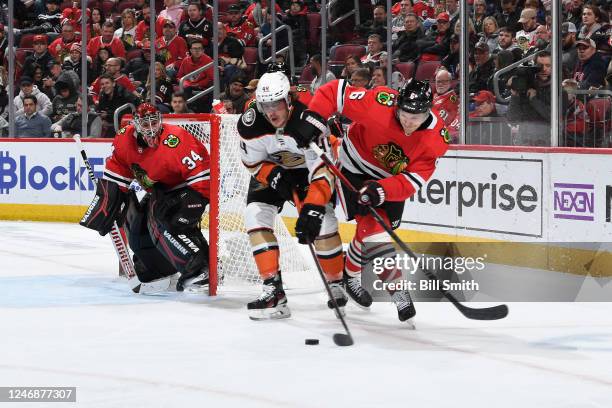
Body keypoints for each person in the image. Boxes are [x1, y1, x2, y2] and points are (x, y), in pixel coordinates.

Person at [305, 77, 450, 323]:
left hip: (390, 181)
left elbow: (411, 182)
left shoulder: (437, 138)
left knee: (367, 233)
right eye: (404, 114)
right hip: (354, 166)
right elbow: (334, 91)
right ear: (398, 104)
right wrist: (313, 118)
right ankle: (398, 291)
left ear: (428, 111)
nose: (408, 121)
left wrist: (380, 190)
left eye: (415, 117)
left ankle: (349, 276)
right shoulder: (380, 103)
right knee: (374, 230)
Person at [236, 71, 345, 320]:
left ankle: (336, 281)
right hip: (274, 171)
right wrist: (274, 176)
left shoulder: (309, 119)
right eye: (266, 105)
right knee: (254, 215)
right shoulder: (251, 123)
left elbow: (324, 169)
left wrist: (313, 207)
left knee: (324, 220)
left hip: (309, 173)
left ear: (288, 100)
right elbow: (252, 163)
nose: (271, 112)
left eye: (276, 104)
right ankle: (273, 289)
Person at [80, 103, 210, 293]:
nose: (151, 129)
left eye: (154, 122)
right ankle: (156, 269)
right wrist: (108, 206)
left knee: (166, 218)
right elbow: (117, 178)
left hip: (188, 189)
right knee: (137, 224)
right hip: (159, 191)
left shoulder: (176, 138)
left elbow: (203, 172)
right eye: (145, 124)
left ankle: (201, 269)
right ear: (136, 124)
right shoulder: (125, 139)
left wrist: (195, 199)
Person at [507, 50, 554, 145]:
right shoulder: (525, 86)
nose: (543, 69)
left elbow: (552, 117)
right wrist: (514, 95)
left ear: (554, 67)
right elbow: (513, 119)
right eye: (540, 66)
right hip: (525, 140)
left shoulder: (558, 90)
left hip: (547, 141)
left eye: (548, 65)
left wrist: (534, 100)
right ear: (534, 66)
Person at [432, 69, 459, 139]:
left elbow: (443, 122)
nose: (440, 84)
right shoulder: (434, 96)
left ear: (450, 82)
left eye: (444, 81)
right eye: (438, 81)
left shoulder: (451, 99)